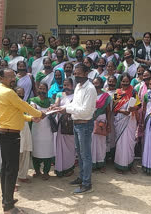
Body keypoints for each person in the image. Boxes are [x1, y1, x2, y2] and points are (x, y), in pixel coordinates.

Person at [0, 68, 44, 213]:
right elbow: (24, 106)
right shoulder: (9, 92)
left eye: (13, 76)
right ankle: (9, 206)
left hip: (5, 133)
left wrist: (31, 118)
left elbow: (16, 112)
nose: (13, 78)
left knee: (6, 169)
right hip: (10, 136)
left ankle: (7, 198)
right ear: (1, 78)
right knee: (11, 170)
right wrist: (40, 114)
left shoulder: (1, 90)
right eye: (9, 76)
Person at [55, 64, 97, 194]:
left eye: (79, 73)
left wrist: (66, 109)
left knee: (85, 155)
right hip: (76, 123)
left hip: (84, 124)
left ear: (86, 73)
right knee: (80, 154)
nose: (76, 75)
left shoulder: (90, 89)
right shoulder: (78, 86)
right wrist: (59, 107)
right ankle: (82, 178)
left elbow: (85, 110)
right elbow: (75, 104)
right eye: (75, 73)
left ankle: (86, 184)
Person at [112, 73, 141, 174]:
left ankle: (130, 164)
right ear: (120, 82)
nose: (125, 83)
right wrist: (122, 111)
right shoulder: (117, 93)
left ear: (130, 81)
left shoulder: (133, 92)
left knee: (130, 143)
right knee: (120, 143)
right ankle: (120, 165)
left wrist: (134, 108)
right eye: (123, 81)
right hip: (120, 119)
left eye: (127, 81)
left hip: (130, 120)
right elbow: (114, 109)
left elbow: (138, 105)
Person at [29, 83, 54, 181]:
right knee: (36, 151)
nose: (42, 90)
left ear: (47, 90)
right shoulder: (33, 100)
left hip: (48, 129)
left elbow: (52, 110)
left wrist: (48, 111)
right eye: (40, 88)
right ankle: (37, 171)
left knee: (47, 151)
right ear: (37, 89)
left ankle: (46, 172)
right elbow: (32, 110)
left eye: (44, 89)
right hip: (36, 129)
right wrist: (37, 111)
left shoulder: (50, 101)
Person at [53, 78, 75, 177]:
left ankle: (69, 168)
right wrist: (53, 107)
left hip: (71, 123)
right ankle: (60, 168)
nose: (66, 87)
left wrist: (64, 109)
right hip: (61, 123)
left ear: (72, 85)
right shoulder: (60, 94)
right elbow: (56, 104)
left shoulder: (76, 96)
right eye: (64, 85)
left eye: (68, 85)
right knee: (60, 146)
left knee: (70, 147)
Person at [91, 77, 111, 172]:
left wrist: (109, 124)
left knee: (101, 143)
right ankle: (92, 163)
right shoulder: (89, 94)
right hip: (90, 120)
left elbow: (108, 111)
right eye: (94, 83)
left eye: (97, 83)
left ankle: (101, 163)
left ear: (101, 84)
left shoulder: (106, 96)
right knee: (91, 142)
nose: (95, 85)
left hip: (101, 120)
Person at [15, 87, 32, 183]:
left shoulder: (25, 104)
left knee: (25, 153)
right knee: (15, 156)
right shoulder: (12, 105)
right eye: (18, 94)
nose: (20, 96)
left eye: (22, 94)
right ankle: (14, 182)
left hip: (26, 131)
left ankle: (22, 176)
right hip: (16, 131)